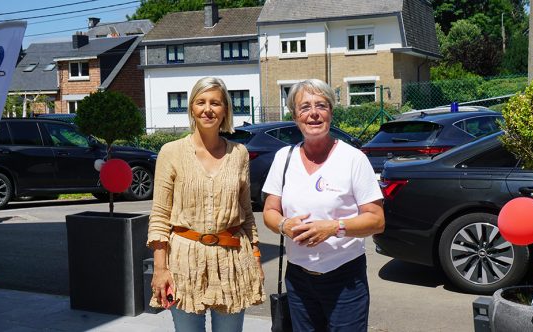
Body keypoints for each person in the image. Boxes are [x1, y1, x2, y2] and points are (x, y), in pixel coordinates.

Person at [262, 79, 385, 331]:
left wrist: (333, 228)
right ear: (295, 116)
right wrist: (284, 224)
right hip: (298, 279)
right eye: (305, 107)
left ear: (331, 112)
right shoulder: (283, 158)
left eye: (321, 105)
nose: (314, 113)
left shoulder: (353, 159)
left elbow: (376, 219)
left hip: (345, 278)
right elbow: (269, 211)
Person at [147, 77, 265, 331]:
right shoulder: (171, 152)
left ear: (225, 110)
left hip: (232, 260)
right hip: (184, 261)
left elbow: (246, 213)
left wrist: (255, 258)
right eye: (201, 102)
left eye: (215, 103)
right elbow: (159, 216)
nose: (207, 109)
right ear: (192, 108)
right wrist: (160, 268)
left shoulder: (239, 154)